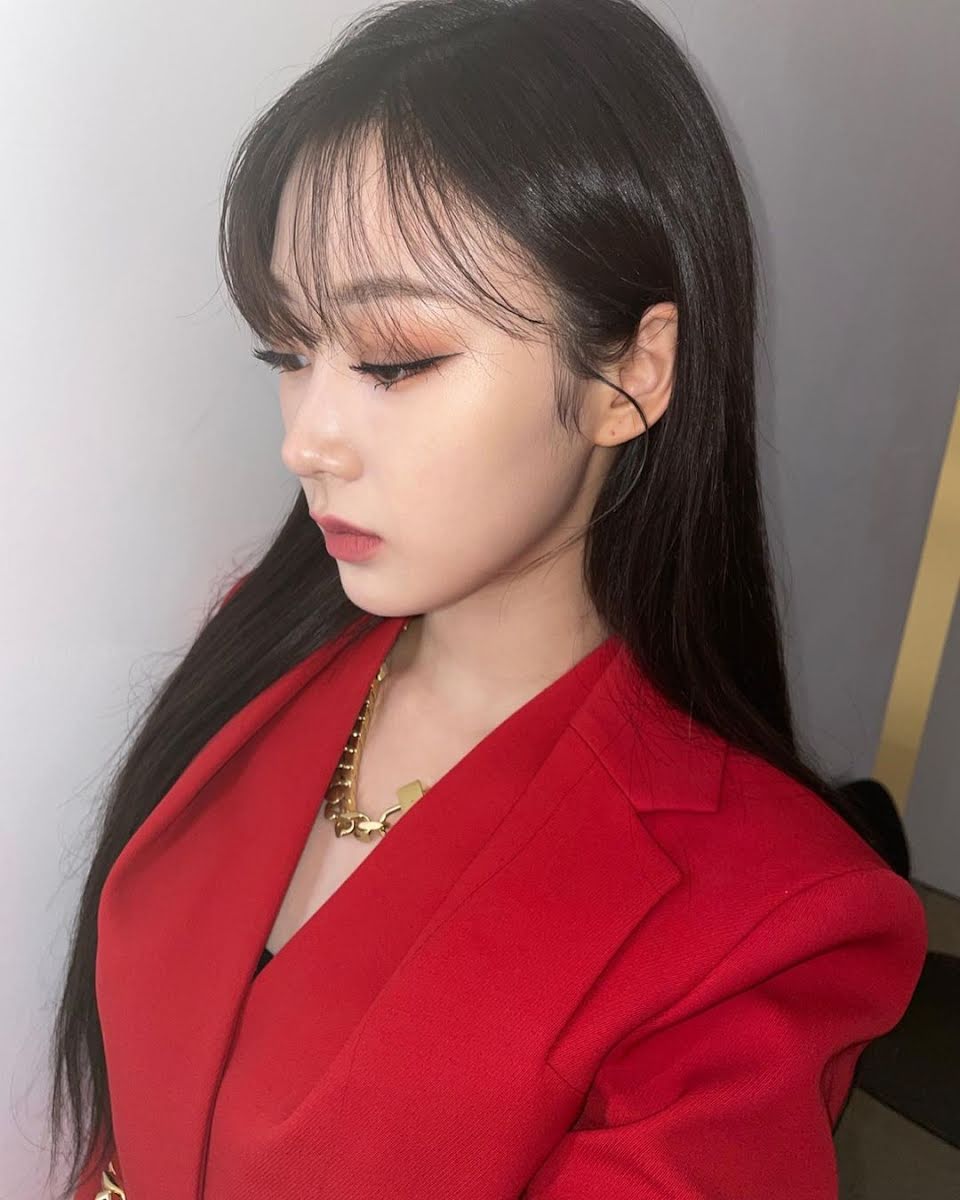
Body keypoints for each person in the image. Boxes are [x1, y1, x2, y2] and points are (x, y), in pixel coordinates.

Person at [48, 1, 927, 1197]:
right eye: (288, 353)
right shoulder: (263, 645)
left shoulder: (767, 921)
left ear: (629, 373)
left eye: (395, 360)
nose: (307, 441)